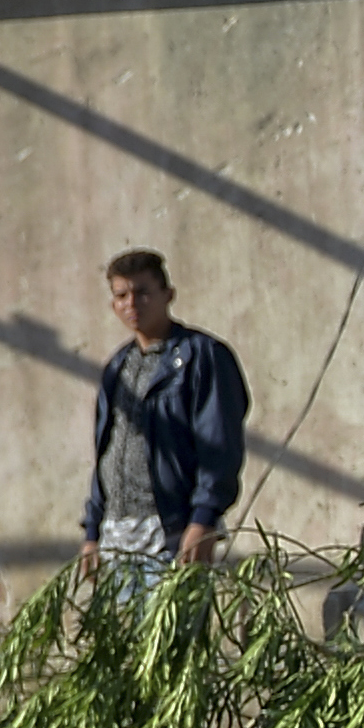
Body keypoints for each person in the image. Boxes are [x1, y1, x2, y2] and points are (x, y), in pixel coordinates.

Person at [76, 249, 249, 589]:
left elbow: (220, 448)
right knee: (124, 639)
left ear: (168, 295)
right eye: (122, 295)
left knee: (169, 638)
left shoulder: (202, 357)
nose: (132, 304)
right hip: (118, 535)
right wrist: (93, 531)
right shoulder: (118, 367)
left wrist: (203, 521)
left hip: (171, 531)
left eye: (143, 292)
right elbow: (106, 451)